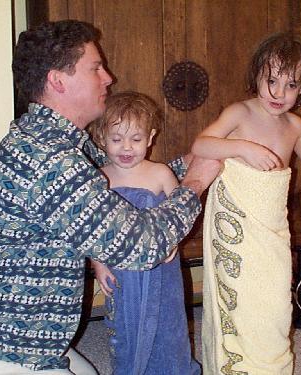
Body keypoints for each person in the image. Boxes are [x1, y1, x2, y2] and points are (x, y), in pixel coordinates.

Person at [0, 20, 220, 375]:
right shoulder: (50, 162)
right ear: (58, 80)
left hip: (18, 337)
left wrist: (188, 163)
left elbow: (127, 176)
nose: (108, 78)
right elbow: (143, 246)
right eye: (95, 68)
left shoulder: (51, 139)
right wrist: (193, 184)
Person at [191, 32, 301, 374]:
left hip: (271, 228)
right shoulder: (239, 113)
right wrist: (242, 148)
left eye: (291, 84)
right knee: (241, 297)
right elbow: (202, 145)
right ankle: (239, 365)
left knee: (273, 298)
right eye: (271, 80)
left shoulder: (296, 126)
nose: (278, 93)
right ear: (256, 75)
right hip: (236, 225)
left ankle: (270, 363)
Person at [88, 91, 201, 375]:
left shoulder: (160, 172)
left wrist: (174, 241)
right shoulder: (99, 178)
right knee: (126, 328)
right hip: (121, 272)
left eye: (136, 139)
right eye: (116, 139)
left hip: (161, 271)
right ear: (101, 137)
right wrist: (98, 265)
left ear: (150, 138)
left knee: (168, 324)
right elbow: (93, 229)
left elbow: (182, 211)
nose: (126, 148)